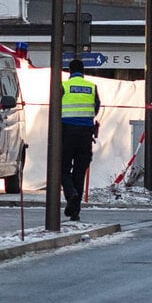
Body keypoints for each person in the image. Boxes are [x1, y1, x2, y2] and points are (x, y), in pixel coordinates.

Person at [61, 59, 100, 221]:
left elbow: (55, 107)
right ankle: (75, 210)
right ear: (83, 71)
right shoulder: (92, 87)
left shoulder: (63, 86)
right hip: (86, 134)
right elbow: (96, 108)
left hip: (66, 133)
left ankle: (71, 194)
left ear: (70, 71)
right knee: (79, 171)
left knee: (61, 169)